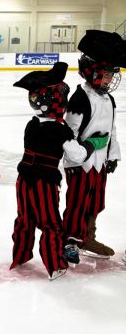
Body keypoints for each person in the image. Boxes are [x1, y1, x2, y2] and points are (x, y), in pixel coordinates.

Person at [10, 62, 109, 280]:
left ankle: (20, 255)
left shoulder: (31, 124)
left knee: (24, 219)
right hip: (44, 184)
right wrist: (92, 143)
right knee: (50, 224)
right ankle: (55, 266)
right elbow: (77, 155)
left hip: (23, 180)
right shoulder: (60, 130)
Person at [62, 30, 125, 263]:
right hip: (81, 164)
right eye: (105, 75)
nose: (109, 80)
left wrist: (112, 155)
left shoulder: (108, 99)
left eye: (111, 75)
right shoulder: (81, 98)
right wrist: (78, 157)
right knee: (77, 202)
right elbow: (68, 134)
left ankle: (88, 237)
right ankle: (70, 240)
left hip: (99, 164)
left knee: (96, 201)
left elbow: (111, 129)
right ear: (91, 72)